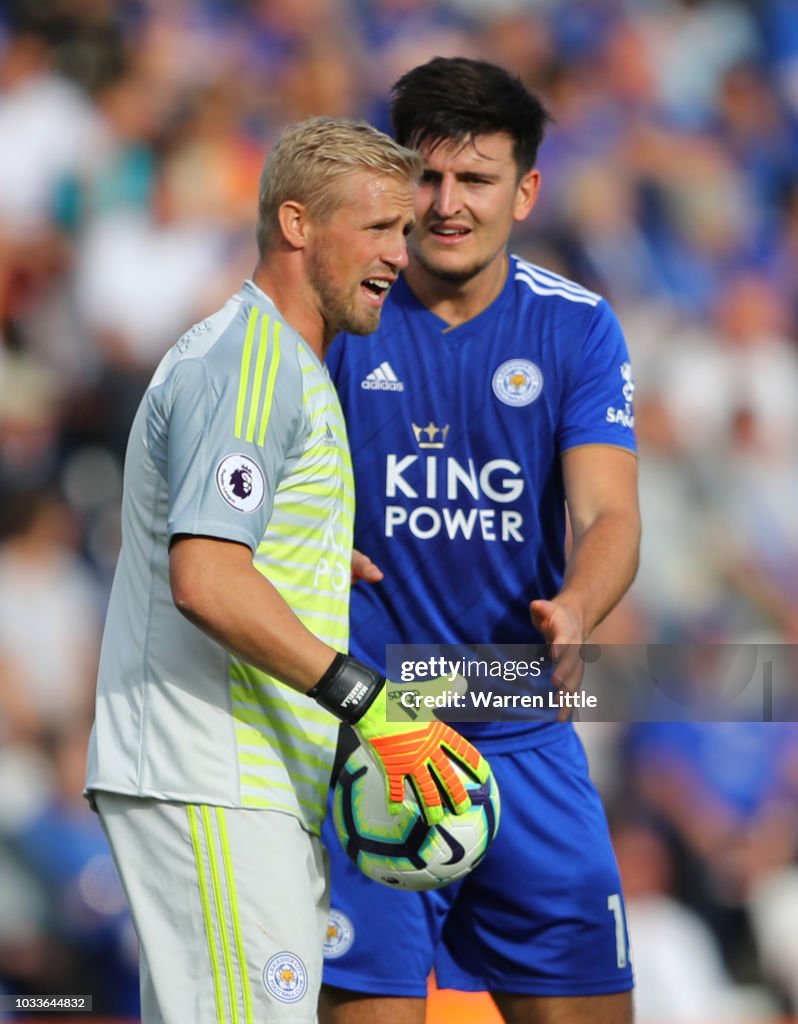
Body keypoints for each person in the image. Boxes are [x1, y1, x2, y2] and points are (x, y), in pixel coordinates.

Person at [84, 115, 491, 1024]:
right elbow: (207, 577)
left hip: (247, 783)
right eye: (379, 227)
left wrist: (303, 555)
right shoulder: (254, 360)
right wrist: (368, 699)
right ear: (299, 225)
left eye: (408, 230)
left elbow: (225, 547)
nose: (402, 252)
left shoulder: (285, 364)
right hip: (213, 774)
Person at [320, 59, 641, 1024]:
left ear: (526, 190)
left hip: (522, 737)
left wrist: (580, 602)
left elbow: (611, 515)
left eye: (478, 179)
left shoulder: (578, 328)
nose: (449, 204)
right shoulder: (337, 315)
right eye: (428, 176)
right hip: (373, 742)